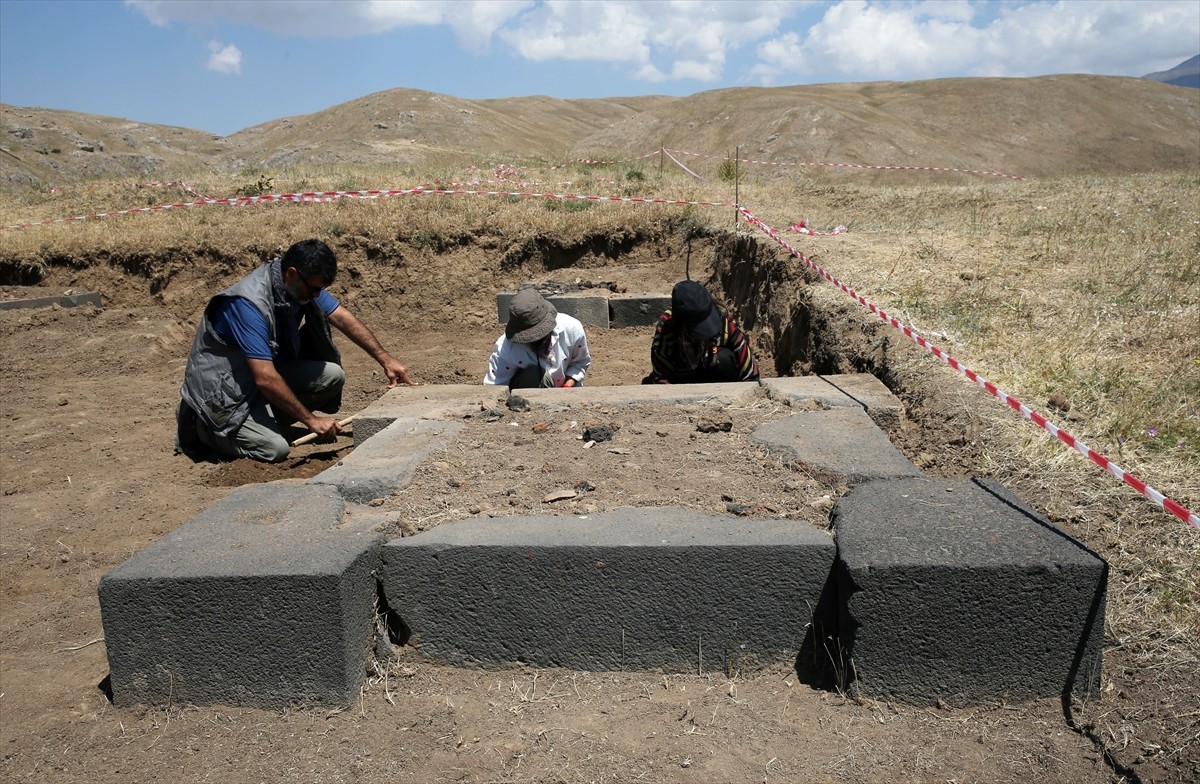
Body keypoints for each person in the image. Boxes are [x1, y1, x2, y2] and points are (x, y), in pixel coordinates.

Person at [175, 238, 415, 463]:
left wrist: (385, 359)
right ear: (292, 274)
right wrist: (311, 421)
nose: (316, 296)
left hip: (254, 384)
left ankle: (265, 420)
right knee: (275, 449)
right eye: (314, 290)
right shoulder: (248, 304)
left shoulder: (297, 284)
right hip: (222, 396)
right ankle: (205, 430)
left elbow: (340, 317)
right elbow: (265, 378)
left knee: (331, 376)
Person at [642, 280, 759, 385]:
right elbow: (662, 380)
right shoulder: (666, 331)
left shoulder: (724, 323)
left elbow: (750, 374)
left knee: (723, 358)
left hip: (715, 379)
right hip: (681, 383)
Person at [484, 288, 591, 389]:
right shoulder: (505, 348)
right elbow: (494, 387)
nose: (536, 341)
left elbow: (580, 362)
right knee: (532, 375)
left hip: (567, 393)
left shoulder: (572, 328)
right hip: (525, 398)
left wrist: (568, 386)